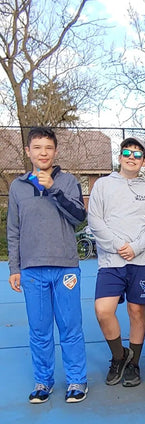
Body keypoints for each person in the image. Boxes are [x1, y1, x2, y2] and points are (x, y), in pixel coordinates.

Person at [7, 127, 88, 403]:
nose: (43, 152)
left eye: (48, 148)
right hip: (31, 270)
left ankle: (77, 380)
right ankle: (43, 382)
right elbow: (13, 230)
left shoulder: (67, 181)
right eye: (37, 147)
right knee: (39, 329)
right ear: (28, 151)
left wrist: (54, 190)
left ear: (55, 152)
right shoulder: (17, 186)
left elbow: (79, 217)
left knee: (70, 327)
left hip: (65, 267)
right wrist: (14, 268)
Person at [88, 137, 145, 388]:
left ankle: (134, 363)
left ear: (144, 161)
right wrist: (119, 246)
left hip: (143, 262)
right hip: (111, 261)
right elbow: (95, 221)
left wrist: (136, 247)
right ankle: (119, 356)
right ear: (119, 157)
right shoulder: (102, 186)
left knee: (137, 311)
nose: (132, 157)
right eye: (127, 152)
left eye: (138, 154)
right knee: (103, 310)